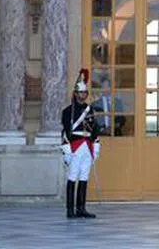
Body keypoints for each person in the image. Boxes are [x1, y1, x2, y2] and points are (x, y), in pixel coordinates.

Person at [61, 68, 101, 219]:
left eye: (85, 93)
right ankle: (70, 210)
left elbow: (95, 130)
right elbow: (65, 132)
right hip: (75, 146)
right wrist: (66, 150)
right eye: (80, 93)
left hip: (87, 146)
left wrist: (96, 148)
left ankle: (81, 208)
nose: (82, 95)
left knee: (84, 176)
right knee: (72, 176)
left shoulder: (90, 110)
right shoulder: (67, 111)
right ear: (75, 94)